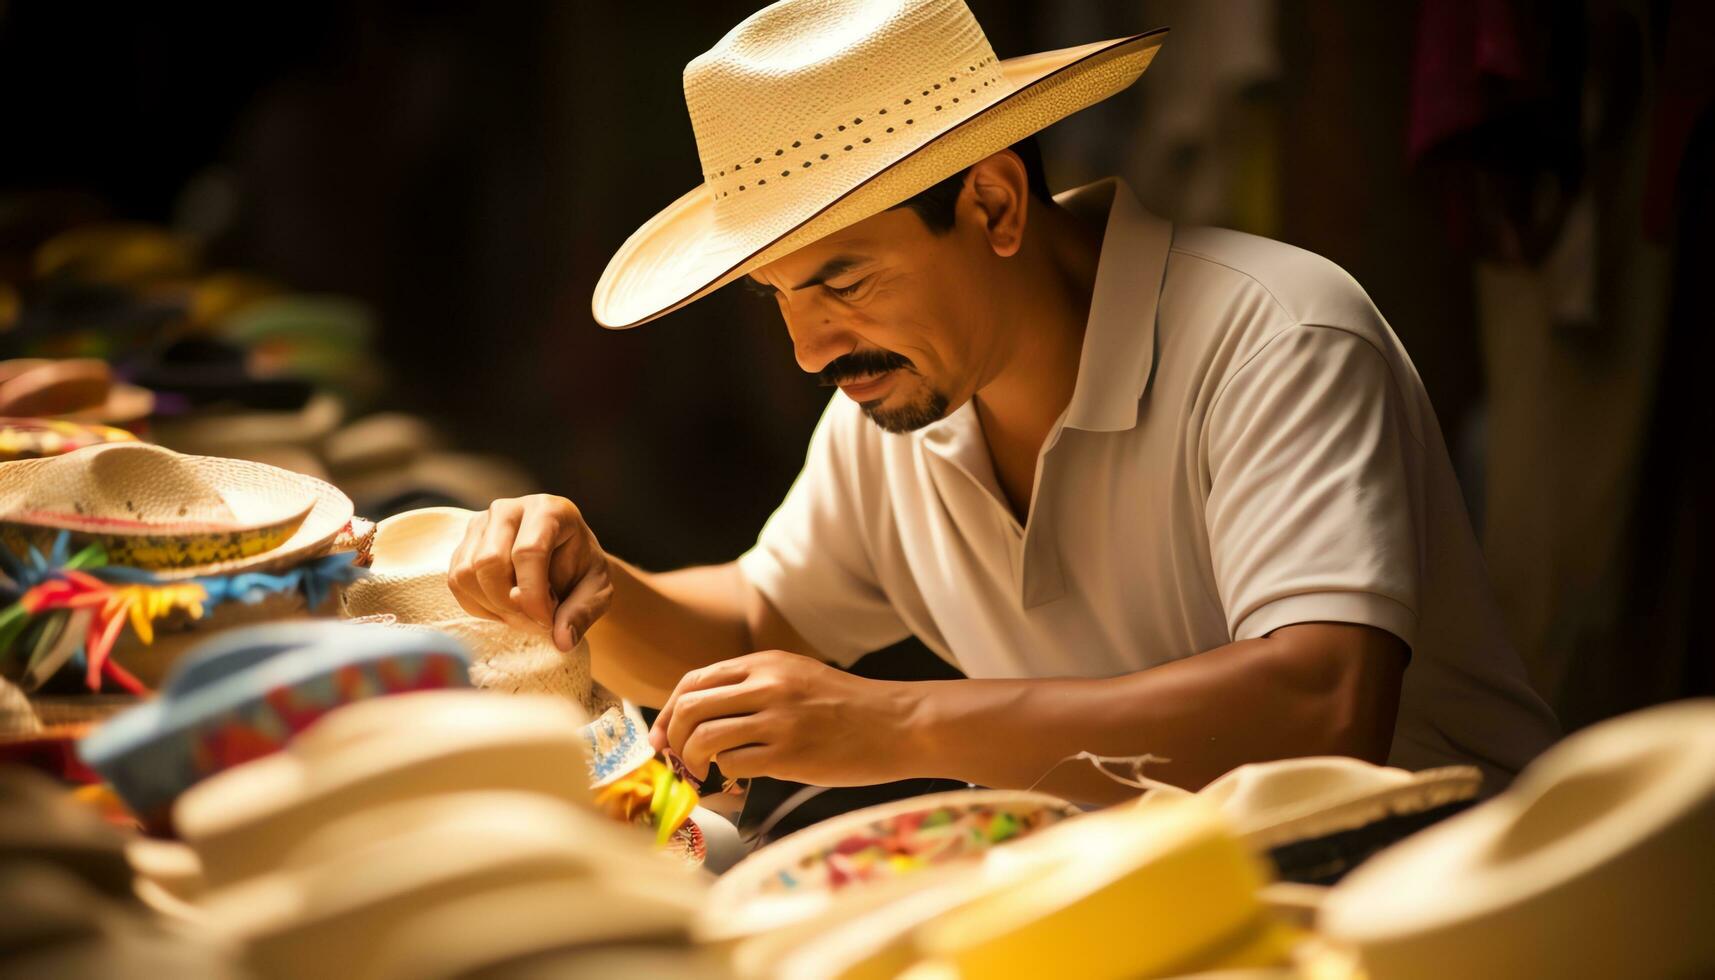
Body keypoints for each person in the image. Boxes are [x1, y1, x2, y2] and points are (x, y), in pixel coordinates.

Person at [449, 0, 1558, 803]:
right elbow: (752, 622)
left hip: (1435, 903)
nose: (807, 349)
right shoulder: (896, 407)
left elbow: (1322, 701)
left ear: (990, 202)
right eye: (779, 295)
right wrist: (590, 582)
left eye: (840, 279)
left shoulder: (1277, 335)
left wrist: (892, 720)